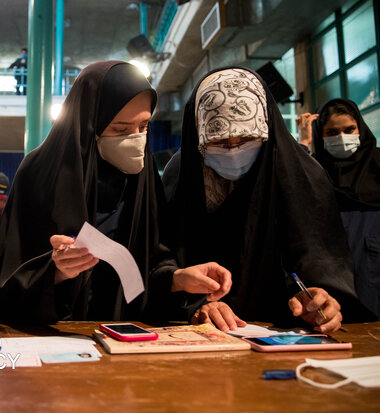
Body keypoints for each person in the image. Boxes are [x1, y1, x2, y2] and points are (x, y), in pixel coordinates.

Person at [0, 61, 233, 324]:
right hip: (57, 333)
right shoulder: (39, 173)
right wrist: (55, 271)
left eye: (144, 126)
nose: (137, 139)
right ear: (90, 123)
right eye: (120, 129)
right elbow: (8, 284)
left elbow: (147, 264)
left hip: (124, 330)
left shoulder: (142, 176)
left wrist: (177, 278)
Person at [162, 67, 371, 333]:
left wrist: (319, 299)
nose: (234, 150)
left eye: (247, 139)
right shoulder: (180, 174)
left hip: (280, 328)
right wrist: (193, 304)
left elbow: (318, 256)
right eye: (219, 141)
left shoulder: (301, 173)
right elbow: (163, 260)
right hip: (199, 330)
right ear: (198, 135)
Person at [297, 99, 380, 319]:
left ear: (360, 128)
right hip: (330, 271)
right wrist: (304, 142)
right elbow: (291, 182)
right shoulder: (315, 170)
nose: (342, 137)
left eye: (349, 129)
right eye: (332, 132)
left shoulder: (378, 164)